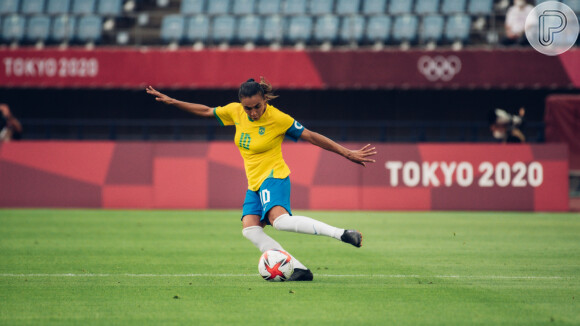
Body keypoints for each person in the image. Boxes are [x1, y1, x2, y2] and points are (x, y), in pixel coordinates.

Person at [146, 78, 377, 281]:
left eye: (257, 106)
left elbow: (311, 136)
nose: (253, 112)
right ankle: (299, 268)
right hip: (254, 183)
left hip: (274, 175)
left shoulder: (278, 118)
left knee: (280, 222)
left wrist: (347, 152)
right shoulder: (235, 111)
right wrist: (172, 101)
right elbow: (207, 111)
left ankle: (343, 234)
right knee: (250, 229)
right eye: (248, 108)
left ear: (265, 99)